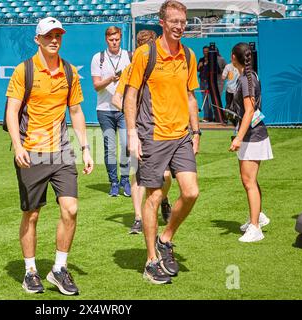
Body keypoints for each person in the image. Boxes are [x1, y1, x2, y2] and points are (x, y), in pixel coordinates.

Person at [5, 17, 94, 295]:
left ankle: (58, 269)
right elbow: (11, 111)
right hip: (31, 152)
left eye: (58, 35)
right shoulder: (24, 71)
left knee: (71, 209)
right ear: (37, 39)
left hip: (61, 152)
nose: (54, 39)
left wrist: (85, 147)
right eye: (48, 35)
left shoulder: (69, 71)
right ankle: (30, 271)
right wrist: (18, 146)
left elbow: (76, 112)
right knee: (32, 215)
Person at [124, 0, 201, 285]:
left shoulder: (189, 55)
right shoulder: (146, 54)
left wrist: (196, 132)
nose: (180, 26)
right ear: (162, 23)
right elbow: (130, 95)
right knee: (154, 197)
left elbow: (191, 96)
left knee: (191, 192)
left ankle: (165, 238)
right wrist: (132, 133)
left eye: (183, 22)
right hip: (153, 134)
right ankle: (150, 261)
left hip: (181, 135)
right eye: (174, 22)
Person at [111, 29, 172, 235]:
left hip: (164, 128)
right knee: (138, 175)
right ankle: (138, 218)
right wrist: (132, 117)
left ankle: (163, 199)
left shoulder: (163, 66)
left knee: (166, 174)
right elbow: (116, 99)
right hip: (140, 130)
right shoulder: (130, 69)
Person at [229, 42, 273, 242]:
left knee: (248, 181)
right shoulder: (248, 77)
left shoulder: (246, 80)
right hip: (252, 135)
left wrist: (238, 137)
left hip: (252, 136)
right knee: (250, 180)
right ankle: (258, 216)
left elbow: (249, 111)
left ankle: (255, 227)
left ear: (233, 57)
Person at [91, 26, 132, 197]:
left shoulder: (129, 56)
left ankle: (125, 179)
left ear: (120, 38)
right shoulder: (98, 58)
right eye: (111, 40)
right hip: (104, 110)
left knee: (125, 145)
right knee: (110, 148)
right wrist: (110, 79)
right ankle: (113, 182)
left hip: (123, 109)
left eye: (116, 39)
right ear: (106, 40)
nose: (114, 42)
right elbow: (96, 85)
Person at [222, 60, 239, 125]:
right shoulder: (240, 65)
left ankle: (225, 120)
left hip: (229, 88)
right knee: (237, 105)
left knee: (228, 105)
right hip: (237, 89)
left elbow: (223, 77)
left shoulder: (228, 66)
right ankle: (236, 121)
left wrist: (229, 75)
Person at [197, 46, 212, 122]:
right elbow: (197, 69)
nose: (205, 52)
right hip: (202, 81)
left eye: (206, 51)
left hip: (209, 82)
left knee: (209, 99)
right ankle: (206, 116)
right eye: (204, 51)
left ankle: (208, 116)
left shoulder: (211, 60)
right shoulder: (201, 59)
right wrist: (199, 66)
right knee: (204, 99)